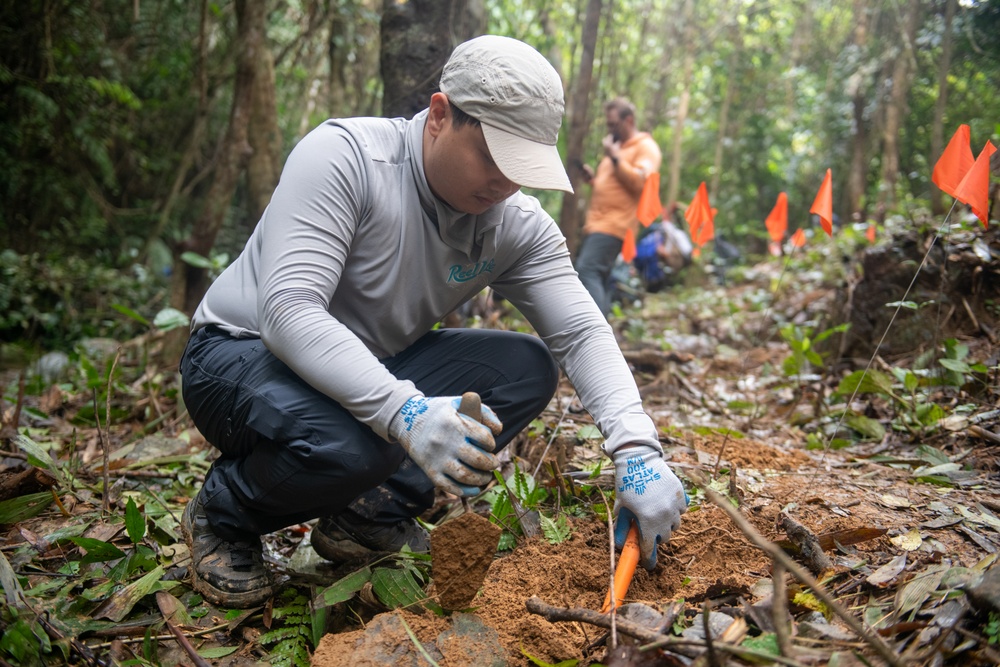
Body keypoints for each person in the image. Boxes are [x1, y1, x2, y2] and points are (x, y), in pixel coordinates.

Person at [179, 35, 687, 609]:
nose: (505, 183)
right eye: (494, 158)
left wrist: (637, 449)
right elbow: (289, 311)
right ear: (441, 115)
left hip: (372, 364)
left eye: (522, 168)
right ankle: (224, 514)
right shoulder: (346, 157)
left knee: (526, 369)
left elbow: (580, 331)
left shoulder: (515, 224)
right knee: (355, 445)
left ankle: (368, 518)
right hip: (238, 357)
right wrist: (406, 411)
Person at [576, 98, 663, 315]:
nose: (610, 129)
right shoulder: (618, 149)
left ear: (629, 120)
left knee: (586, 271)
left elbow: (641, 182)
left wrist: (614, 158)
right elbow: (615, 188)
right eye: (608, 125)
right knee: (600, 278)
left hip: (614, 225)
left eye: (613, 124)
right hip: (598, 223)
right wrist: (593, 181)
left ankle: (593, 336)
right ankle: (602, 339)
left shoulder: (646, 147)